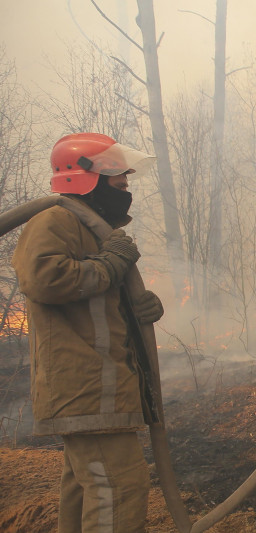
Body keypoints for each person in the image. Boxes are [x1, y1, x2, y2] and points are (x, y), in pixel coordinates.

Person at [12, 132, 164, 532]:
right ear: (85, 177)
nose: (125, 186)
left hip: (99, 389)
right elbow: (45, 279)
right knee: (120, 487)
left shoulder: (92, 229)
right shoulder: (55, 220)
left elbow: (97, 306)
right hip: (85, 389)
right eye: (118, 179)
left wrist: (140, 305)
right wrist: (111, 264)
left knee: (87, 489)